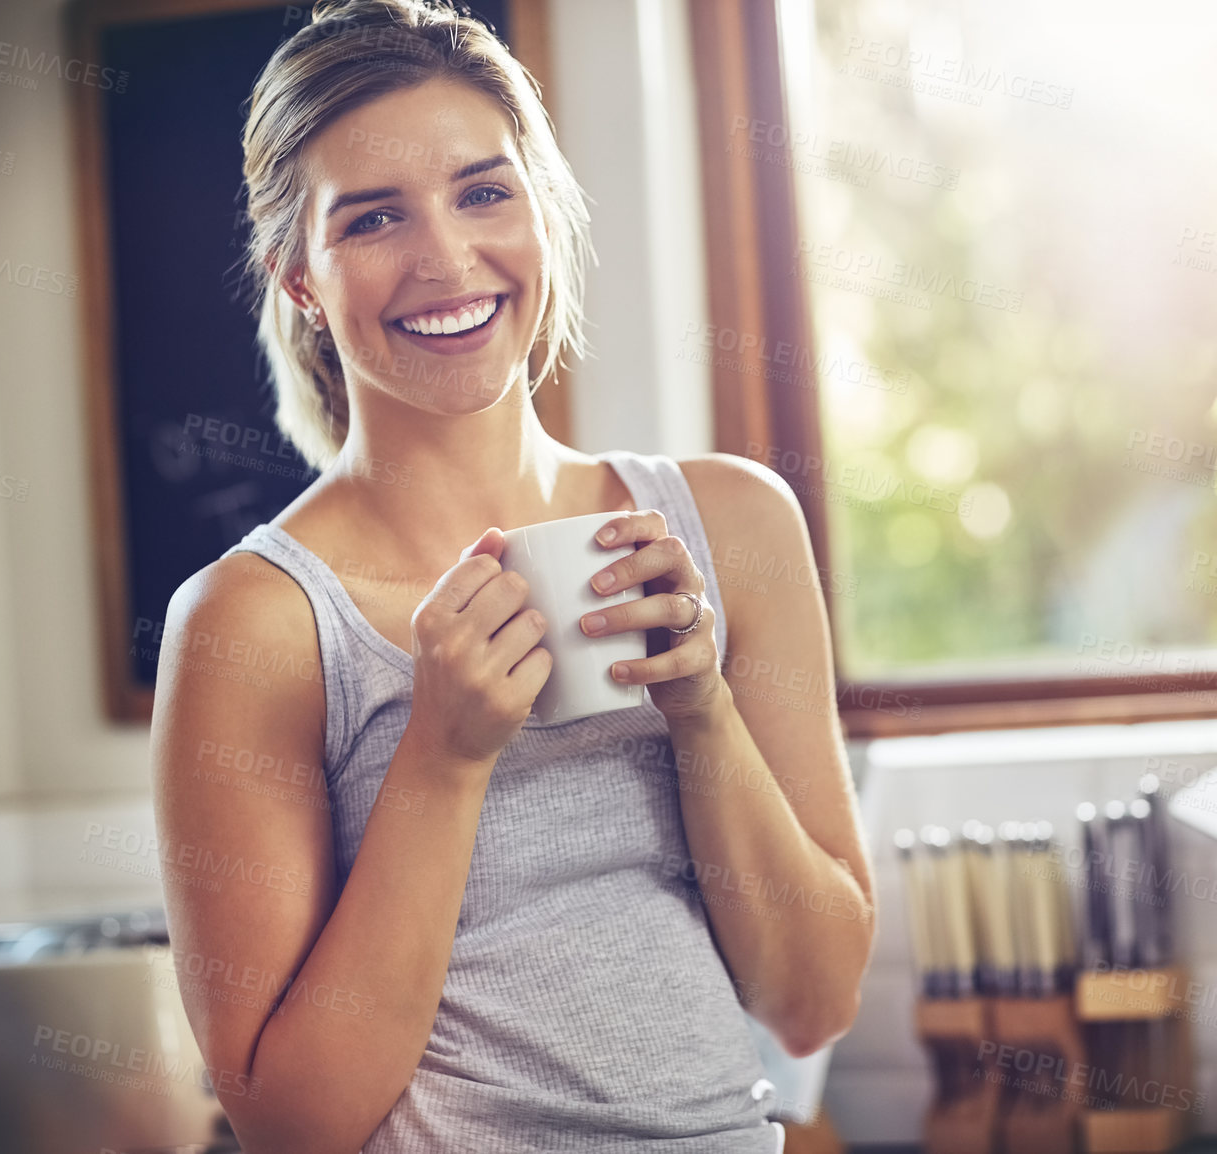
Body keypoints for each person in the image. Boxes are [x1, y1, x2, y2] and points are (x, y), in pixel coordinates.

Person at [147, 2, 874, 1150]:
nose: (447, 259)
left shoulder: (733, 525)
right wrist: (439, 751)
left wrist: (704, 711)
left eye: (484, 191)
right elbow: (295, 1122)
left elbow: (813, 1001)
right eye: (375, 217)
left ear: (542, 207)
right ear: (298, 275)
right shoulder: (259, 620)